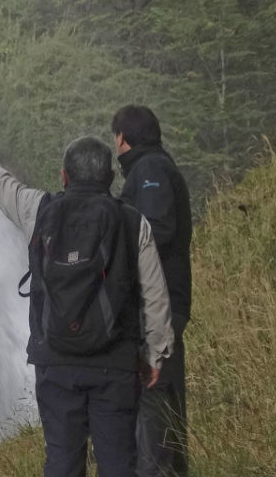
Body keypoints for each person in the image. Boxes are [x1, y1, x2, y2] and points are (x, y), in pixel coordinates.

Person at [0, 134, 173, 477]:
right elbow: (155, 296)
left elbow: (2, 187)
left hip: (56, 362)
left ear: (64, 176)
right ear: (110, 178)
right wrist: (155, 355)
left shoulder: (39, 209)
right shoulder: (134, 223)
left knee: (62, 463)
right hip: (116, 363)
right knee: (119, 462)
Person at [111, 106, 192, 477]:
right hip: (161, 308)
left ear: (123, 138)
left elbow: (157, 229)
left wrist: (113, 257)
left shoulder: (151, 170)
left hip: (157, 312)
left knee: (154, 419)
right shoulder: (154, 166)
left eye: (116, 138)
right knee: (165, 414)